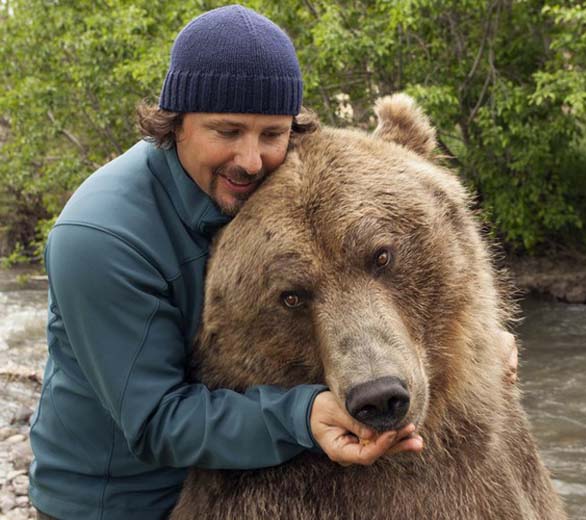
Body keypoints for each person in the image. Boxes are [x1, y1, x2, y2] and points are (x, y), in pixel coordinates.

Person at [28, 6, 429, 520]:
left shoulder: (256, 185)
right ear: (175, 123)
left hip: (223, 476)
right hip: (118, 500)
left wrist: (485, 342)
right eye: (227, 131)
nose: (251, 161)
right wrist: (303, 416)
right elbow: (156, 421)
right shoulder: (101, 237)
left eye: (271, 133)